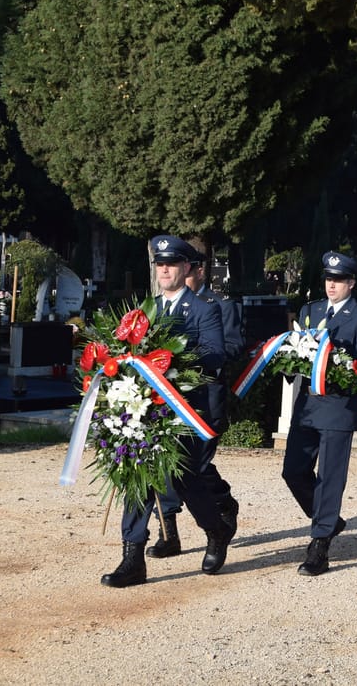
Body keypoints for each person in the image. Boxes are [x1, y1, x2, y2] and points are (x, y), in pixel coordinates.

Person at [101, 235, 237, 588]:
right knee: (138, 477)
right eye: (160, 264)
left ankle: (216, 530)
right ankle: (132, 558)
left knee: (185, 480)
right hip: (148, 412)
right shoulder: (147, 310)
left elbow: (215, 355)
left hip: (186, 410)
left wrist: (172, 363)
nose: (165, 270)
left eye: (173, 264)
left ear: (188, 268)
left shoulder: (205, 309)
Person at [282, 251, 357, 576]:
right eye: (328, 279)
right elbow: (297, 348)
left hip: (338, 406)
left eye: (338, 280)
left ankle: (319, 543)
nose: (331, 285)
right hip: (308, 406)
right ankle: (329, 520)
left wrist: (341, 365)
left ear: (351, 283)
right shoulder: (311, 310)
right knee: (294, 471)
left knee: (330, 478)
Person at [143, 247, 243, 561]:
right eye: (161, 264)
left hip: (203, 400)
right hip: (162, 401)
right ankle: (168, 533)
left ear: (195, 269)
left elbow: (229, 348)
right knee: (163, 464)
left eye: (184, 266)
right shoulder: (154, 307)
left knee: (193, 469)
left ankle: (222, 504)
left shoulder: (217, 306)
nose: (174, 271)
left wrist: (181, 359)